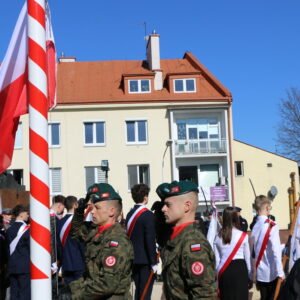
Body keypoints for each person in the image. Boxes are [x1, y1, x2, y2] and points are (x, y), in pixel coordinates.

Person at [68, 183, 134, 299]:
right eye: (91, 207)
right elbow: (75, 232)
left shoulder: (116, 241)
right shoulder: (96, 231)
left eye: (97, 208)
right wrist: (79, 212)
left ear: (111, 211)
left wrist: (75, 294)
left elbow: (107, 284)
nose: (92, 211)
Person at [157, 180, 217, 299]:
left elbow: (204, 295)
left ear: (187, 206)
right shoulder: (176, 238)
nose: (163, 209)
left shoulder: (193, 244)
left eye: (168, 205)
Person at [125, 184, 157, 300]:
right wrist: (153, 262)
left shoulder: (129, 214)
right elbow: (150, 240)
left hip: (133, 259)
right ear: (145, 197)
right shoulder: (148, 215)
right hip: (145, 261)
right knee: (145, 293)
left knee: (138, 292)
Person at [250, 195, 284, 300]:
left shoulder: (254, 226)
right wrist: (280, 272)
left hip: (260, 272)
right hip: (272, 272)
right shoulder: (271, 225)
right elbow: (276, 251)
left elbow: (253, 251)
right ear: (267, 207)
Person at [214, 206, 251, 300]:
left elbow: (217, 263)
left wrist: (217, 281)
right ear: (236, 218)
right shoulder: (243, 235)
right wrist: (250, 275)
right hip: (240, 270)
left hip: (224, 271)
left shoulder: (217, 237)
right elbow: (248, 259)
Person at [57, 196, 85, 284]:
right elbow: (81, 243)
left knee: (68, 293)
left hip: (65, 263)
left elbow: (58, 244)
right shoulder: (79, 222)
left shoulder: (59, 222)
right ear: (75, 205)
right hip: (79, 262)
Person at [6, 204, 30, 300]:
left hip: (12, 265)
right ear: (21, 214)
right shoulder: (27, 230)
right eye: (26, 213)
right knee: (25, 293)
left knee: (14, 293)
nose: (28, 215)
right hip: (24, 266)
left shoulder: (9, 229)